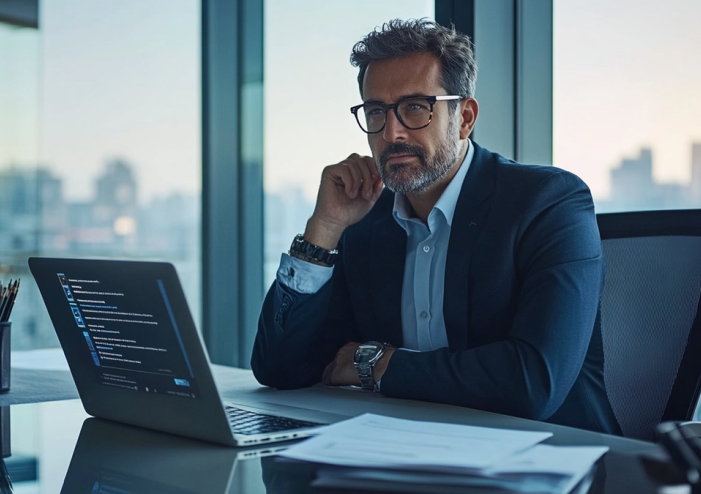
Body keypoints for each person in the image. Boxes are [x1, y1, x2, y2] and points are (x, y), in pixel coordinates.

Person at [251, 19, 621, 435]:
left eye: (415, 107)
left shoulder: (548, 202)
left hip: (550, 454)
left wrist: (377, 363)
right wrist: (323, 228)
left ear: (464, 118)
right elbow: (281, 368)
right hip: (404, 446)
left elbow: (534, 382)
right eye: (376, 111)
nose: (392, 132)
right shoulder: (365, 217)